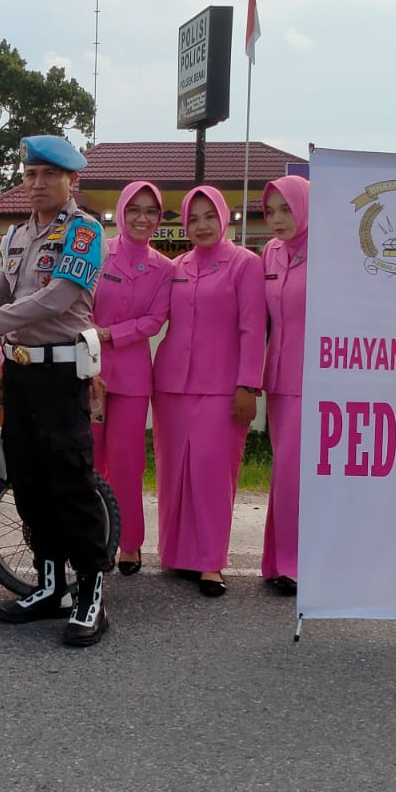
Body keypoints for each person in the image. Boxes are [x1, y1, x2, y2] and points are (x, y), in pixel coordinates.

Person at [0, 134, 112, 646]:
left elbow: (55, 301)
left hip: (60, 375)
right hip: (20, 373)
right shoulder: (14, 237)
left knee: (70, 482)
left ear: (70, 180)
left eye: (47, 175)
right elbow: (0, 293)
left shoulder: (84, 232)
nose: (36, 184)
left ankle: (91, 593)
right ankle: (50, 586)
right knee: (28, 480)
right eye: (30, 174)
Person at [151, 185, 265, 597]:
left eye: (209, 217)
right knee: (173, 471)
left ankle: (210, 562)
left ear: (225, 217)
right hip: (170, 386)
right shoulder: (175, 266)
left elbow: (253, 329)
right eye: (193, 218)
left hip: (222, 388)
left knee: (213, 474)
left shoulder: (245, 265)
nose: (201, 226)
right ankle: (177, 554)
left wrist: (248, 385)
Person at [89, 181, 174, 577]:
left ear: (159, 219)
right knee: (89, 459)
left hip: (134, 377)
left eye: (151, 211)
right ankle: (91, 536)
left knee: (127, 461)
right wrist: (94, 339)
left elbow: (155, 319)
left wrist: (112, 334)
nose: (142, 218)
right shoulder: (97, 252)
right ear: (120, 212)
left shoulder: (164, 268)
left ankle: (130, 542)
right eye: (134, 209)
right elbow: (76, 302)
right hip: (88, 370)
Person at [258, 175, 311, 597]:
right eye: (270, 211)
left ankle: (297, 563)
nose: (277, 219)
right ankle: (277, 561)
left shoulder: (330, 255)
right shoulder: (270, 253)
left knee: (297, 471)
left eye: (286, 209)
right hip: (276, 377)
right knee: (283, 471)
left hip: (315, 378)